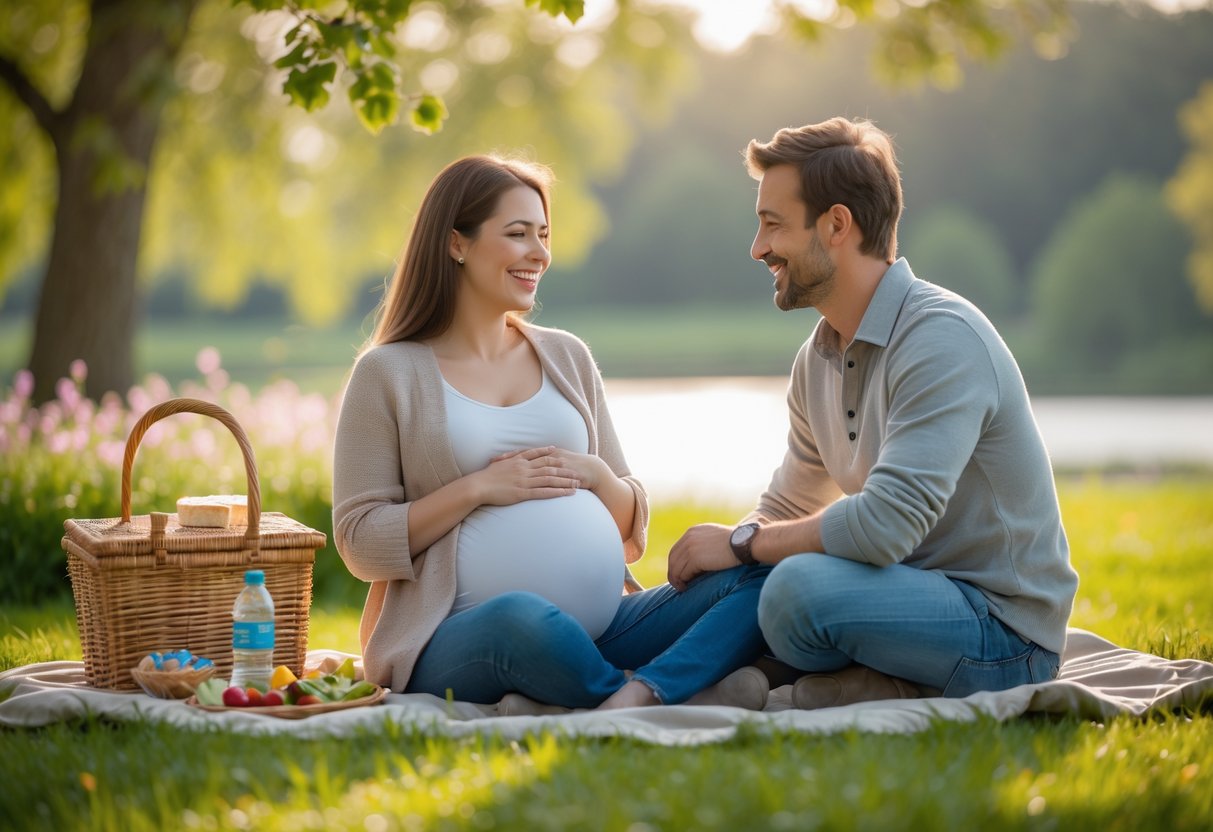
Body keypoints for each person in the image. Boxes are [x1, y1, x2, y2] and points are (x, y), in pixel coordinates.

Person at [332, 154, 771, 713]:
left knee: (759, 572)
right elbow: (361, 542)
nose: (539, 253)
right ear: (456, 244)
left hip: (606, 624)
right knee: (524, 620)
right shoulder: (388, 373)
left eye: (543, 234)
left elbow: (628, 524)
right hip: (460, 636)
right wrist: (478, 489)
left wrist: (597, 475)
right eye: (517, 234)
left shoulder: (567, 356)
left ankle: (640, 690)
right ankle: (666, 689)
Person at [668, 117, 1079, 708]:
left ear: (837, 224)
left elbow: (885, 525)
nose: (757, 248)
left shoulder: (942, 339)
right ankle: (621, 676)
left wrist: (740, 543)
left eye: (772, 225)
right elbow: (787, 506)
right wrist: (728, 568)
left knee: (795, 592)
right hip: (901, 597)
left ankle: (795, 677)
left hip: (1003, 633)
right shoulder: (819, 356)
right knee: (738, 583)